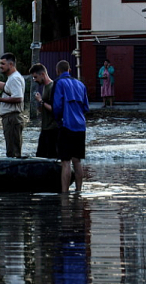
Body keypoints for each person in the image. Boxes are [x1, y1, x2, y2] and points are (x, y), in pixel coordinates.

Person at [52, 60, 89, 192]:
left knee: (66, 161)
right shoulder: (81, 84)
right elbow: (86, 107)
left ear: (58, 71)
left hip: (66, 125)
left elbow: (57, 106)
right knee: (77, 160)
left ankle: (64, 193)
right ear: (70, 70)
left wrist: (58, 120)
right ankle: (79, 191)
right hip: (80, 126)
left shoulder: (59, 83)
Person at [30, 63, 58, 158]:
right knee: (40, 156)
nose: (35, 80)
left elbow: (54, 109)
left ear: (42, 74)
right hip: (45, 128)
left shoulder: (53, 87)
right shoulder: (45, 87)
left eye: (35, 77)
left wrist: (41, 101)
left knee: (51, 156)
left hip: (53, 129)